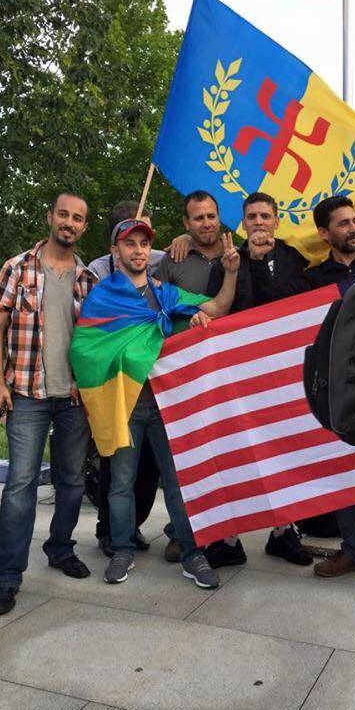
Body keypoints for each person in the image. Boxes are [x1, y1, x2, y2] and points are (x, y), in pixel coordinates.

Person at [80, 218, 240, 588]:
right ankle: (121, 549)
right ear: (115, 251)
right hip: (126, 405)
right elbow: (86, 350)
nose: (138, 250)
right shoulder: (102, 296)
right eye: (130, 244)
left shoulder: (165, 294)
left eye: (143, 244)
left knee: (178, 482)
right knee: (121, 482)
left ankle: (191, 552)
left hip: (169, 404)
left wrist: (230, 273)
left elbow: (217, 307)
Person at [0, 192, 97, 616]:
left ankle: (61, 547)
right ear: (50, 216)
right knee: (20, 485)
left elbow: (99, 341)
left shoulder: (90, 281)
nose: (69, 222)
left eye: (78, 218)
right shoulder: (18, 267)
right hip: (27, 395)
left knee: (72, 481)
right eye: (63, 214)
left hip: (72, 398)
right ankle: (8, 576)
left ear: (85, 227)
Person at [205, 192, 313, 568]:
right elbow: (216, 307)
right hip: (236, 375)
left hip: (281, 375)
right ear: (243, 222)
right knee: (237, 452)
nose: (259, 223)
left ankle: (284, 532)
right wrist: (243, 265)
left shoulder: (293, 259)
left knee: (282, 451)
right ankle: (228, 538)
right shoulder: (227, 260)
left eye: (265, 215)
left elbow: (292, 308)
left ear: (277, 220)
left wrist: (264, 261)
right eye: (252, 217)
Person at [305, 195, 355, 578]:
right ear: (324, 233)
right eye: (343, 223)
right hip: (340, 383)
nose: (353, 229)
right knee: (344, 466)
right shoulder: (313, 279)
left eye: (354, 221)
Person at [155, 189, 227, 563]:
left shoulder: (239, 254)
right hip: (183, 376)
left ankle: (222, 532)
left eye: (211, 216)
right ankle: (180, 531)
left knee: (224, 455)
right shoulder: (172, 258)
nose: (205, 223)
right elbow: (154, 309)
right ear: (186, 224)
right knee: (185, 458)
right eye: (197, 218)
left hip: (226, 374)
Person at [89, 201, 161, 557]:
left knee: (148, 467)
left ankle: (132, 525)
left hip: (150, 390)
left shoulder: (155, 260)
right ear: (114, 243)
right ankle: (109, 530)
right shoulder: (96, 272)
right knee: (115, 466)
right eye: (131, 238)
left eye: (145, 236)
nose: (141, 246)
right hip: (114, 389)